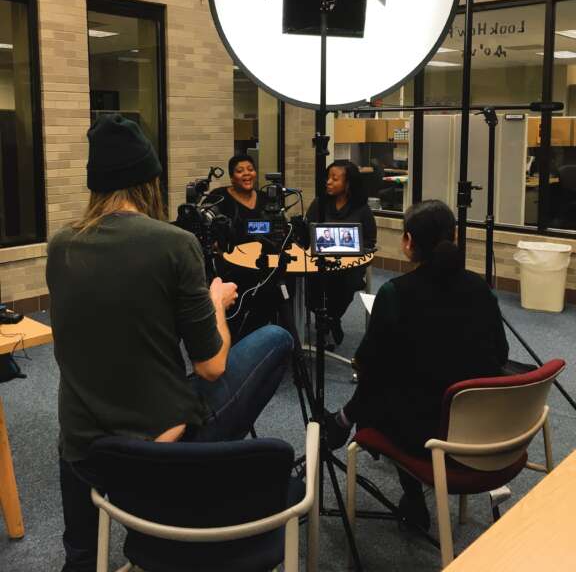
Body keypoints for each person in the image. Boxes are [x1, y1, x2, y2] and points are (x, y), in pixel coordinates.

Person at [47, 115, 293, 572]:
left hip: (84, 445)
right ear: (151, 181)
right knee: (277, 337)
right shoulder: (174, 244)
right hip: (157, 443)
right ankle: (190, 487)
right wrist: (214, 303)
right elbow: (211, 367)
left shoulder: (61, 245)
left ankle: (81, 557)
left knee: (80, 547)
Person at [326, 200, 509, 530]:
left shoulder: (395, 293)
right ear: (454, 236)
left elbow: (366, 364)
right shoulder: (482, 289)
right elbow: (501, 353)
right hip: (486, 431)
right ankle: (344, 419)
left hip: (425, 436)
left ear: (408, 241)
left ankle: (345, 422)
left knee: (379, 384)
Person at [207, 155, 281, 341]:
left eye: (250, 169)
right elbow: (208, 227)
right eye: (240, 171)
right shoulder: (219, 197)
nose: (247, 174)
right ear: (232, 177)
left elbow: (279, 228)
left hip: (263, 262)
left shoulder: (266, 198)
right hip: (231, 265)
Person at [307, 160, 377, 345]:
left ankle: (331, 319)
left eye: (334, 178)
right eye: (328, 177)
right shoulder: (319, 203)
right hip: (320, 260)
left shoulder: (362, 209)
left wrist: (353, 253)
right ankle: (326, 319)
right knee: (308, 280)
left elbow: (370, 241)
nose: (328, 182)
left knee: (348, 281)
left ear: (348, 184)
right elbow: (307, 233)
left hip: (349, 264)